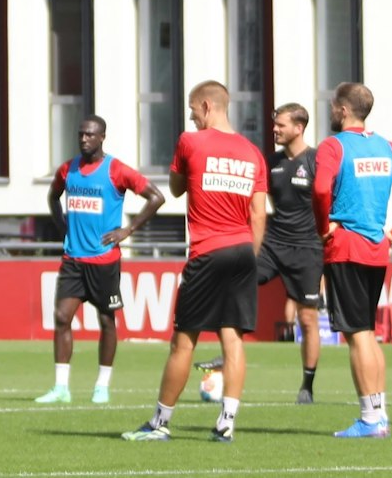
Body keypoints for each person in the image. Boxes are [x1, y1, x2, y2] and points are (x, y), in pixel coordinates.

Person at [122, 80, 266, 445]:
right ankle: (226, 423)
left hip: (207, 252)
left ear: (206, 106)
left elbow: (175, 188)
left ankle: (160, 423)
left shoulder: (191, 142)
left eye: (192, 111)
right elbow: (258, 213)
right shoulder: (253, 153)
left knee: (183, 341)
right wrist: (250, 256)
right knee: (232, 339)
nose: (191, 118)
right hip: (243, 251)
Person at [313, 82, 392, 440]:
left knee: (357, 334)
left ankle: (369, 419)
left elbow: (320, 188)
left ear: (343, 110)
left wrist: (322, 228)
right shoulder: (386, 147)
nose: (331, 110)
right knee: (367, 333)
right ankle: (380, 414)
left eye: (334, 105)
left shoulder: (333, 146)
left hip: (346, 246)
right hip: (377, 248)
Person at [35, 114, 164, 405]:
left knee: (106, 321)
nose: (84, 139)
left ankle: (102, 386)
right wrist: (62, 226)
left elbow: (156, 197)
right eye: (81, 134)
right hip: (73, 259)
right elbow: (53, 197)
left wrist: (128, 229)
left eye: (90, 135)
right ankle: (61, 387)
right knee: (61, 317)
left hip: (104, 261)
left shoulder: (116, 170)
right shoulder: (68, 169)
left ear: (102, 137)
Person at [259, 103, 324, 404]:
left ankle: (307, 386)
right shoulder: (271, 162)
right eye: (275, 124)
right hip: (273, 244)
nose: (275, 129)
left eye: (281, 125)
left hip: (307, 249)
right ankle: (228, 350)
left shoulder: (316, 161)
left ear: (298, 128)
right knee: (239, 280)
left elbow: (329, 203)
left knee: (307, 319)